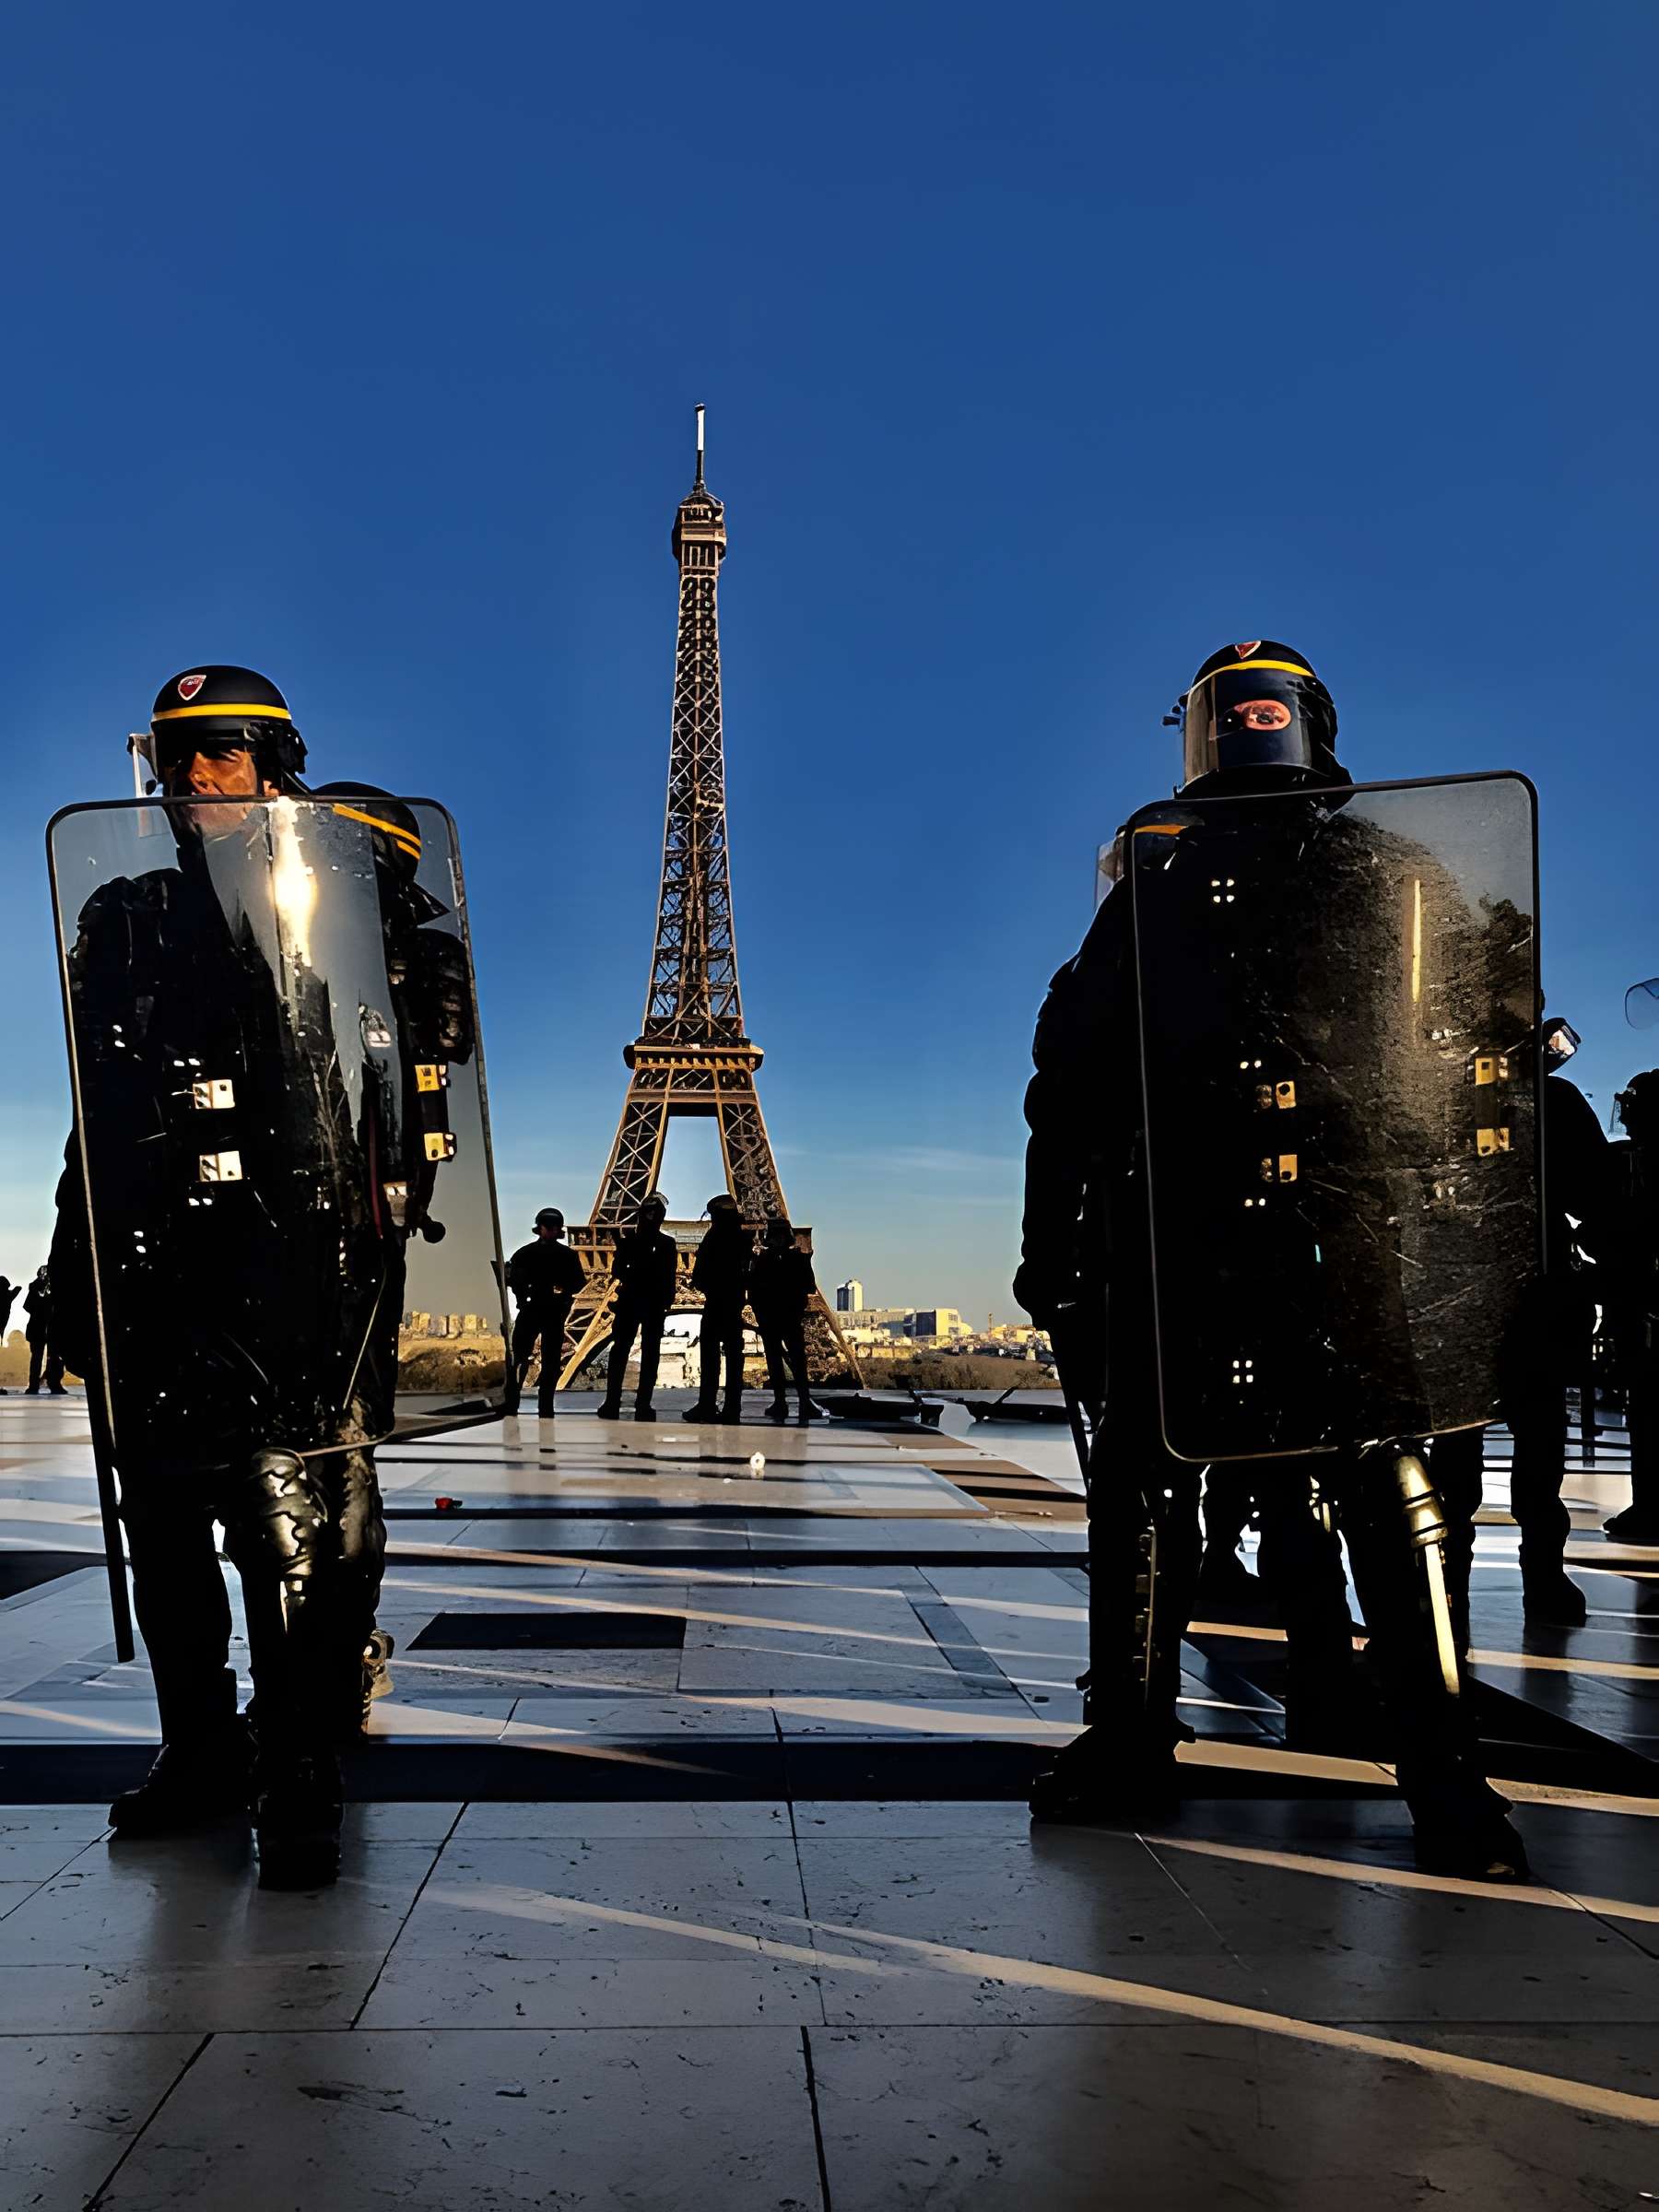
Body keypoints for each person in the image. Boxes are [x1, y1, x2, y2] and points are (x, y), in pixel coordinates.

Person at [1016, 639, 1529, 1878]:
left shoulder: (1158, 881)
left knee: (1146, 1485)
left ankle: (1134, 1742)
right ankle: (1446, 1779)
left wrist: (1054, 1249)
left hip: (1172, 1226)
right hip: (1344, 1225)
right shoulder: (1401, 872)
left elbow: (1068, 1081)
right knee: (1386, 1484)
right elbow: (1470, 1058)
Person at [49, 664, 466, 1887]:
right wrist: (71, 1261)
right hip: (158, 1270)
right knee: (165, 1522)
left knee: (297, 1526)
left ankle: (295, 1769)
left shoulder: (337, 908)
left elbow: (401, 1097)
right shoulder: (124, 915)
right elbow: (98, 1115)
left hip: (302, 1274)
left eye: (223, 755)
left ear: (274, 763)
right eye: (177, 760)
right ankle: (199, 1751)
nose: (194, 781)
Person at [1433, 1017, 1611, 1627]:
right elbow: (1597, 1198)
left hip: (1460, 1295)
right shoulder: (1550, 1098)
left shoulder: (1440, 1094)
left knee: (1456, 1456)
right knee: (1540, 1450)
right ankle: (1542, 1575)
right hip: (1534, 1297)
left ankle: (1447, 1588)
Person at [1603, 1070, 1659, 1544]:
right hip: (1640, 1300)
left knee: (1645, 1409)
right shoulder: (1628, 1161)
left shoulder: (1627, 1163)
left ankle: (1650, 1506)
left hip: (1639, 1301)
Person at [597, 1195, 677, 1420]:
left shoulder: (630, 1241)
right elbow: (668, 1277)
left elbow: (618, 1271)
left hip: (632, 1301)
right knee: (648, 1353)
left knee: (621, 1350)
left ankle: (613, 1402)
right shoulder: (666, 1244)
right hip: (649, 1303)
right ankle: (643, 1404)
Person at [506, 1208, 585, 1418]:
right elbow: (578, 1283)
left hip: (535, 1310)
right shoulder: (567, 1256)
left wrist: (524, 1296)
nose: (550, 1230)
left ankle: (514, 1399)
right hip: (550, 1311)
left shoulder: (524, 1254)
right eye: (548, 1227)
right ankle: (543, 1405)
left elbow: (512, 1280)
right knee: (542, 1359)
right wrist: (562, 1294)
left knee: (525, 1357)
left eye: (553, 1227)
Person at [687, 1194, 750, 1423]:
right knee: (734, 1356)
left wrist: (708, 1287)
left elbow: (700, 1272)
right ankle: (732, 1406)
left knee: (710, 1356)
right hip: (732, 1302)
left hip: (716, 1302)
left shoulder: (714, 1237)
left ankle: (707, 1404)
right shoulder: (743, 1239)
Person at [748, 1218, 818, 1424]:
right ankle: (802, 1401)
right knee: (795, 1360)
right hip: (788, 1316)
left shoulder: (762, 1260)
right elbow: (809, 1287)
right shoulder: (798, 1259)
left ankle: (783, 1402)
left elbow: (753, 1290)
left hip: (773, 1317)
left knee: (780, 1360)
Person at [24, 1266, 66, 1394]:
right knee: (43, 1357)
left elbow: (28, 1307)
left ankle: (47, 1385)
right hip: (41, 1327)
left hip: (47, 1327)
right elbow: (29, 1306)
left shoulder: (53, 1287)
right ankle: (42, 1385)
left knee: (51, 1357)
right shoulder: (36, 1287)